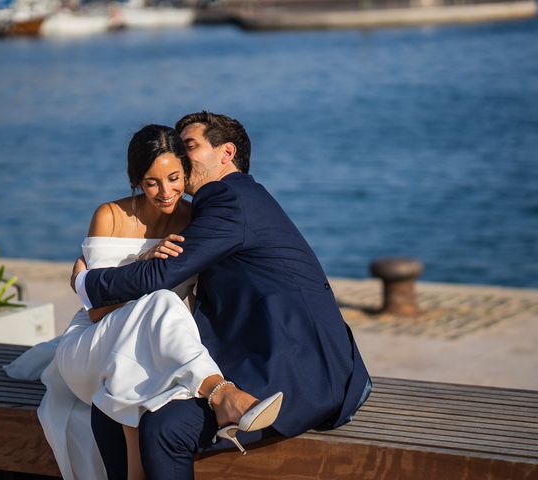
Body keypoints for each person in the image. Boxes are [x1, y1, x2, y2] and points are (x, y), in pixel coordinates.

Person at [72, 111, 373, 480]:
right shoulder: (221, 204)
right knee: (112, 403)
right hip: (269, 355)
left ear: (226, 153)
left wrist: (87, 283)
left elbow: (164, 274)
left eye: (190, 146)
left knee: (164, 428)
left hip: (298, 375)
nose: (181, 157)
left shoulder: (230, 199)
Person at [6, 124, 282, 480]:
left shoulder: (192, 218)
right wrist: (144, 266)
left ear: (185, 173)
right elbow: (98, 311)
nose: (166, 192)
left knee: (151, 336)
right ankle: (222, 393)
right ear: (136, 179)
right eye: (152, 182)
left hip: (151, 351)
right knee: (163, 301)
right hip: (92, 348)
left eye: (174, 178)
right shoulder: (111, 216)